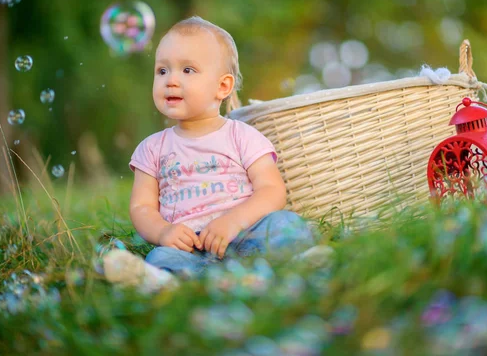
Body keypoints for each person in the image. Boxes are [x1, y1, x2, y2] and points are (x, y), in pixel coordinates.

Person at [103, 16, 330, 292]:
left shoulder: (242, 136)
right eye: (162, 71)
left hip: (246, 234)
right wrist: (163, 232)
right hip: (191, 249)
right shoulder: (152, 148)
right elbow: (142, 207)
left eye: (187, 70)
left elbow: (272, 190)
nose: (171, 80)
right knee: (160, 256)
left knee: (285, 224)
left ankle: (299, 259)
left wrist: (233, 221)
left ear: (222, 86)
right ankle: (165, 280)